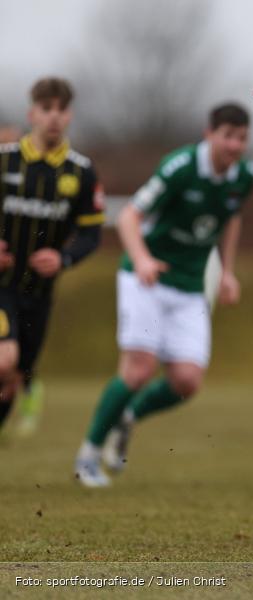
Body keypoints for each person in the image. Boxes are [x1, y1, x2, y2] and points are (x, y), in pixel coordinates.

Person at [74, 103, 253, 487]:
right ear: (209, 134)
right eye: (227, 135)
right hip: (147, 280)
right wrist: (142, 259)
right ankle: (88, 455)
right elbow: (128, 217)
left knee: (187, 381)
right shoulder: (179, 168)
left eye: (242, 138)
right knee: (139, 369)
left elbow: (231, 218)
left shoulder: (245, 176)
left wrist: (226, 272)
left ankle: (127, 418)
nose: (234, 144)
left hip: (190, 285)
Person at [0, 78, 104, 438]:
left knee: (14, 377)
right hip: (2, 287)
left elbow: (91, 234)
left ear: (69, 115)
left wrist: (63, 259)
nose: (54, 117)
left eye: (61, 110)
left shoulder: (81, 172)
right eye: (47, 109)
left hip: (40, 294)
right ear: (32, 113)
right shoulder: (5, 161)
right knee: (4, 361)